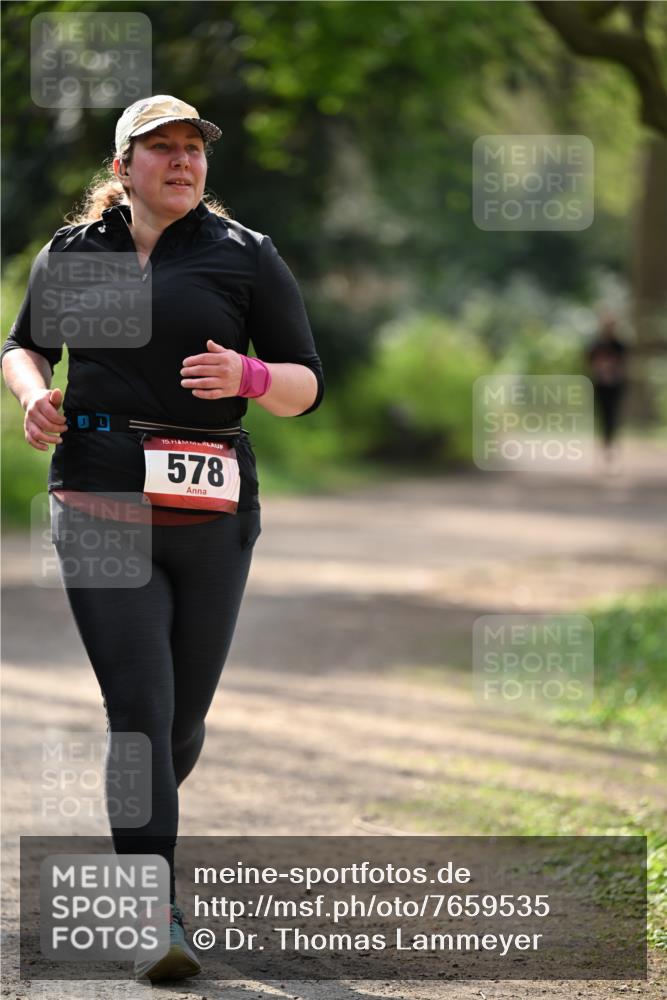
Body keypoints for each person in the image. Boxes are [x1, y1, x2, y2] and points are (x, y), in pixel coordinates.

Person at [1, 95, 324, 981]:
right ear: (122, 168)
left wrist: (250, 374)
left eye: (193, 150)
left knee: (180, 721)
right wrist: (32, 393)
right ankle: (153, 912)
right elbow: (22, 345)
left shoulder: (243, 255)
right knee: (139, 714)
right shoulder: (75, 254)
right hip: (99, 496)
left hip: (213, 513)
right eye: (162, 151)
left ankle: (139, 822)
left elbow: (305, 383)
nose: (182, 163)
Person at [586, 313, 628, 469]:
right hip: (600, 386)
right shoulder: (595, 344)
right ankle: (605, 448)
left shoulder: (620, 345)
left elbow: (624, 365)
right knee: (603, 416)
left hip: (616, 386)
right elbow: (589, 363)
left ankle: (610, 448)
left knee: (613, 416)